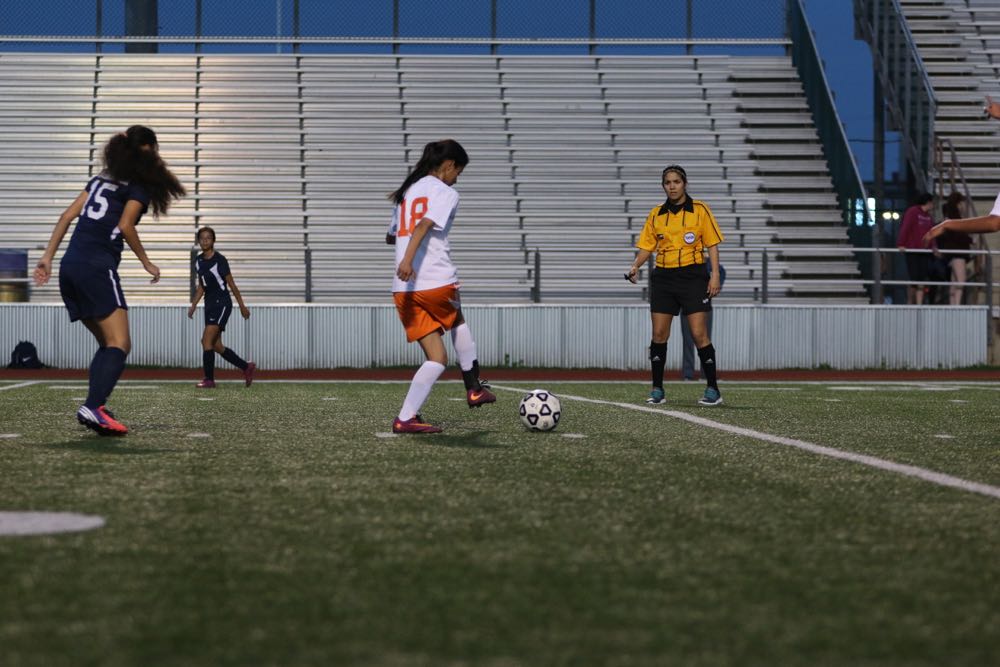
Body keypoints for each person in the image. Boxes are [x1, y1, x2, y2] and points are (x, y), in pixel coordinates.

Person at [32, 125, 185, 435]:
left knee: (106, 343)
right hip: (96, 267)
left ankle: (95, 406)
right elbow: (126, 225)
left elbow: (66, 215)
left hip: (70, 267)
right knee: (120, 343)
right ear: (149, 151)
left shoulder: (101, 178)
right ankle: (93, 405)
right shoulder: (138, 185)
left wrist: (47, 257)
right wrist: (147, 262)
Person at [386, 139, 496, 434]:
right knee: (458, 320)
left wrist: (404, 256)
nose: (457, 178)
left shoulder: (407, 193)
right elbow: (423, 226)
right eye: (458, 171)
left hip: (403, 290)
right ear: (448, 165)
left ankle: (405, 418)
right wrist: (409, 260)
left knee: (437, 359)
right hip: (434, 279)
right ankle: (473, 387)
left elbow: (392, 235)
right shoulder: (445, 191)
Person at [626, 164, 725, 406]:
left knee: (699, 334)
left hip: (693, 276)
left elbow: (712, 244)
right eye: (668, 183)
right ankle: (658, 389)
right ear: (664, 186)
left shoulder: (700, 210)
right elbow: (647, 247)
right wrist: (635, 265)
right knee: (659, 334)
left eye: (676, 182)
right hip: (664, 278)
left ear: (685, 184)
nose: (672, 186)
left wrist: (714, 276)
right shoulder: (656, 214)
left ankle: (713, 389)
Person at [187, 227, 256, 388]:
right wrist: (194, 305)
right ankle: (246, 367)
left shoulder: (220, 260)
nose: (205, 240)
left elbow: (231, 284)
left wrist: (242, 306)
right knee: (216, 345)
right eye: (202, 238)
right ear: (198, 241)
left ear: (213, 240)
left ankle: (209, 379)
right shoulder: (198, 261)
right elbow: (202, 285)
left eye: (208, 238)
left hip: (222, 303)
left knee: (205, 340)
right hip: (209, 304)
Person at [680, 260, 726, 380]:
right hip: (688, 305)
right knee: (688, 341)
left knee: (705, 341)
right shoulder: (685, 262)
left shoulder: (709, 265)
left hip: (705, 307)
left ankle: (706, 374)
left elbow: (720, 273)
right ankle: (688, 374)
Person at [896, 193, 937, 305]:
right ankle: (910, 301)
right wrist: (901, 243)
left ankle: (919, 303)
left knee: (922, 278)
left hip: (924, 251)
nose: (933, 205)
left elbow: (931, 232)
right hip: (912, 250)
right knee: (913, 277)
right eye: (932, 202)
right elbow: (906, 227)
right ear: (928, 202)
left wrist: (933, 246)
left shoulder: (928, 216)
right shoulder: (913, 211)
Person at [935, 192, 973, 305]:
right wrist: (970, 240)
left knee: (954, 280)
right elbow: (957, 235)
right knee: (961, 281)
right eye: (962, 203)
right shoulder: (956, 219)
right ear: (958, 203)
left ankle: (953, 305)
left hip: (951, 253)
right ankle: (956, 305)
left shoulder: (949, 218)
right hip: (958, 252)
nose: (963, 206)